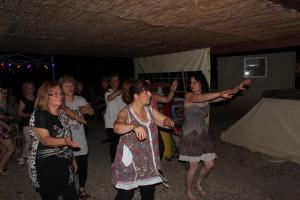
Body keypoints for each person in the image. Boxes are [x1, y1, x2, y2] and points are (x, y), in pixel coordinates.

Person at [178, 71, 251, 200]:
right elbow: (201, 98)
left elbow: (224, 96)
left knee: (209, 164)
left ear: (201, 82)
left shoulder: (207, 97)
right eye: (191, 83)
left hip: (202, 134)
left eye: (195, 82)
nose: (192, 85)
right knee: (193, 166)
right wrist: (220, 93)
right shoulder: (189, 96)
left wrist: (237, 88)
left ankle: (198, 184)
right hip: (190, 135)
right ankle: (188, 190)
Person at [112, 79, 175, 200]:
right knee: (125, 195)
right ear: (136, 95)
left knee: (148, 195)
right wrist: (133, 126)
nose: (150, 94)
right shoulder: (126, 112)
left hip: (148, 163)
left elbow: (167, 122)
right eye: (146, 92)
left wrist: (169, 122)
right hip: (131, 164)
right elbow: (116, 127)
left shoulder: (150, 110)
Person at [27, 81, 79, 200]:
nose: (59, 96)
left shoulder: (62, 114)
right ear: (45, 96)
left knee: (71, 195)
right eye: (54, 94)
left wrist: (72, 159)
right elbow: (45, 140)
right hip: (46, 165)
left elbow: (67, 137)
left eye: (60, 93)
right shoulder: (40, 114)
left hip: (64, 163)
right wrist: (65, 142)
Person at [59, 75, 94, 200]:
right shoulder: (59, 101)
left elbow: (91, 111)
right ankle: (69, 191)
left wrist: (86, 109)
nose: (70, 88)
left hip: (80, 138)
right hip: (65, 140)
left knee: (83, 166)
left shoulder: (80, 99)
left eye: (72, 85)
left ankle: (82, 189)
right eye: (66, 86)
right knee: (68, 167)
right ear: (61, 88)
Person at [104, 74, 126, 163]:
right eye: (113, 80)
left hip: (123, 122)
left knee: (124, 143)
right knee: (114, 143)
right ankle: (113, 162)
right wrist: (121, 90)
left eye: (117, 80)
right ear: (110, 82)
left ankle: (123, 161)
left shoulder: (123, 93)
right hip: (111, 123)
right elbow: (109, 98)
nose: (116, 82)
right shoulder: (108, 93)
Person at [17, 81, 35, 165]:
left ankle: (28, 155)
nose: (30, 90)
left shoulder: (35, 98)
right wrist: (28, 114)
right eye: (29, 88)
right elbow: (19, 113)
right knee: (27, 141)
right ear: (25, 89)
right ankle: (21, 156)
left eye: (32, 88)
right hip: (26, 123)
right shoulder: (23, 100)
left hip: (35, 122)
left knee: (33, 141)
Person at [0, 84, 15, 175]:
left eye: (6, 93)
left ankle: (2, 167)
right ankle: (1, 169)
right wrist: (6, 125)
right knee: (11, 149)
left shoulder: (3, 104)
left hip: (2, 129)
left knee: (4, 150)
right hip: (1, 130)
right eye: (4, 93)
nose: (6, 95)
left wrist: (8, 118)